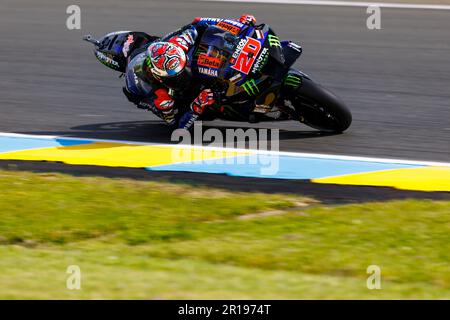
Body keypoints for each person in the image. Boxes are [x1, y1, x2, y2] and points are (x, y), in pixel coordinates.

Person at [122, 14, 257, 130]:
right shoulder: (157, 94)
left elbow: (199, 22)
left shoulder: (181, 42)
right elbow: (177, 125)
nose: (182, 76)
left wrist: (238, 25)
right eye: (176, 77)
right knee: (223, 106)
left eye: (182, 69)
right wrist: (197, 106)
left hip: (167, 52)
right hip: (181, 97)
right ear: (160, 77)